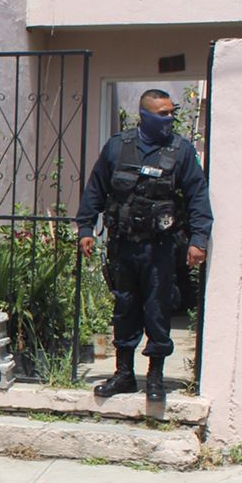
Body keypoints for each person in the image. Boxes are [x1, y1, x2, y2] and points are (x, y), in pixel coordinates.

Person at [76, 89, 212, 404]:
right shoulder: (117, 147)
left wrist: (198, 240)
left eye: (172, 113)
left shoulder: (180, 151)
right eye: (163, 114)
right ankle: (124, 374)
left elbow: (198, 196)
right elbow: (96, 188)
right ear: (145, 115)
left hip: (160, 248)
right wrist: (86, 228)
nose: (169, 119)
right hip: (123, 246)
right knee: (124, 308)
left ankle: (155, 377)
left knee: (157, 310)